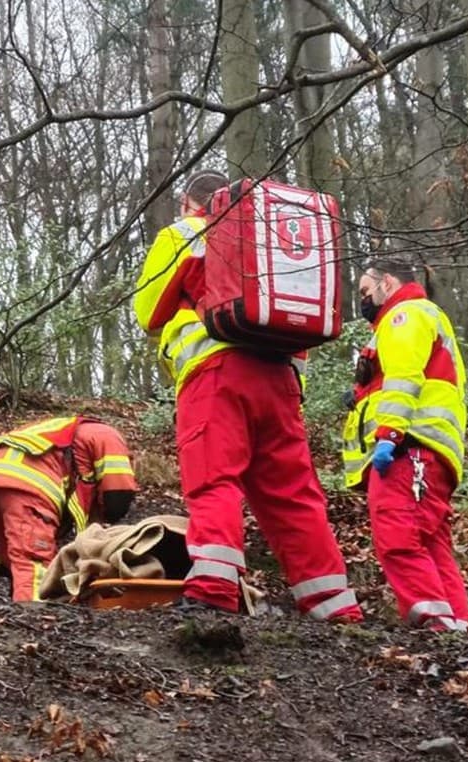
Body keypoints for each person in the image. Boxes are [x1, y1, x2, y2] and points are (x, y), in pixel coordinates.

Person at [134, 170, 362, 621]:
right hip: (281, 380)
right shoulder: (273, 239)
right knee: (294, 495)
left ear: (188, 203)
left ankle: (213, 589)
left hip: (217, 375)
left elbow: (148, 310)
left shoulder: (186, 233)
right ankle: (335, 608)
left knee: (214, 479)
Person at [343, 257, 468, 631]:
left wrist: (389, 435)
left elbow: (403, 379)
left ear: (389, 283)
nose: (364, 299)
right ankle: (456, 627)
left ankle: (433, 624)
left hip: (406, 449)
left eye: (367, 291)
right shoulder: (423, 317)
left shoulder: (405, 315)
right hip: (430, 453)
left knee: (397, 536)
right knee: (431, 543)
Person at [0, 416, 139, 601]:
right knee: (33, 561)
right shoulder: (107, 435)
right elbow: (118, 496)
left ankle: (17, 607)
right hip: (25, 477)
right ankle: (34, 616)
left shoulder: (64, 433)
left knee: (15, 559)